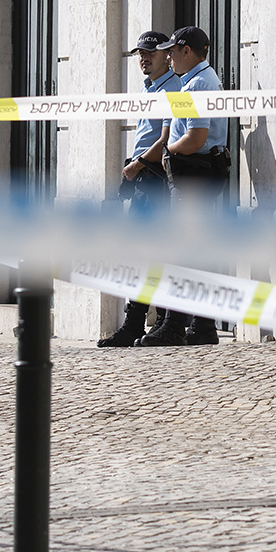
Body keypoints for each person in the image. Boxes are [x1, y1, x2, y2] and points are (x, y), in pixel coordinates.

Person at [131, 25, 232, 348]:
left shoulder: (199, 84)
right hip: (195, 174)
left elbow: (196, 138)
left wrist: (168, 152)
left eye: (173, 50)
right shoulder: (196, 81)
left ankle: (175, 325)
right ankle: (202, 327)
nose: (169, 56)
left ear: (187, 51)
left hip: (194, 174)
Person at [99, 30, 184, 348]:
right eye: (139, 53)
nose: (143, 58)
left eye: (149, 52)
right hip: (145, 177)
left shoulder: (172, 87)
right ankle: (143, 322)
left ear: (166, 54)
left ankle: (149, 323)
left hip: (155, 177)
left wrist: (135, 167)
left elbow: (164, 139)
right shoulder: (150, 88)